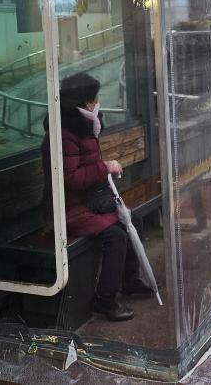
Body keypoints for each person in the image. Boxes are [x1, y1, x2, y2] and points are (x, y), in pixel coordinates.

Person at [42, 72, 154, 321]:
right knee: (115, 236)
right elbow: (70, 178)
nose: (97, 102)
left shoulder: (85, 126)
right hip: (68, 208)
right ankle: (105, 299)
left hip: (90, 200)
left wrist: (102, 170)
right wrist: (105, 167)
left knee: (132, 220)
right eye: (94, 97)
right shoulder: (66, 133)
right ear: (84, 102)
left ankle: (129, 280)